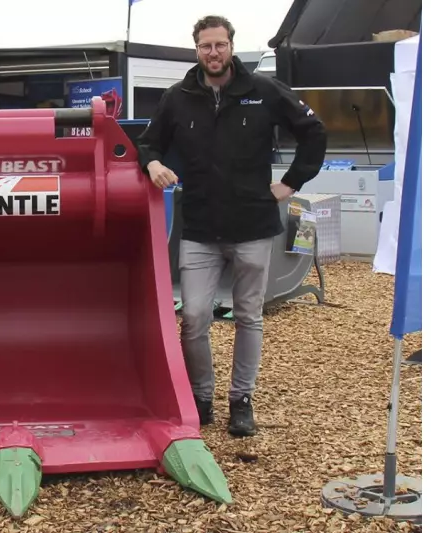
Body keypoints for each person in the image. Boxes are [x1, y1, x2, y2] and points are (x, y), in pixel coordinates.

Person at [137, 16, 326, 437]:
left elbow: (313, 131)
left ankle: (241, 399)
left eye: (220, 45)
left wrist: (291, 183)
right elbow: (147, 142)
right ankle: (200, 397)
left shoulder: (262, 91)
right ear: (196, 49)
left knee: (248, 315)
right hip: (200, 226)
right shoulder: (177, 97)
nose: (214, 53)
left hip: (252, 226)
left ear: (231, 46)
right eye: (206, 46)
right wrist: (152, 163)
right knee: (195, 316)